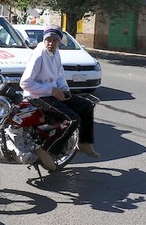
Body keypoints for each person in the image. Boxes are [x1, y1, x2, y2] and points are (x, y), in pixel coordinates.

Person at [20, 24, 100, 169]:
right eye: (48, 40)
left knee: (86, 106)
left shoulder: (56, 53)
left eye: (55, 40)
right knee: (72, 119)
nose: (51, 43)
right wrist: (51, 90)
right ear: (44, 40)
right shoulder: (38, 55)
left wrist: (64, 89)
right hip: (37, 97)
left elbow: (60, 75)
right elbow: (25, 83)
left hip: (51, 93)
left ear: (59, 42)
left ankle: (84, 143)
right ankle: (46, 151)